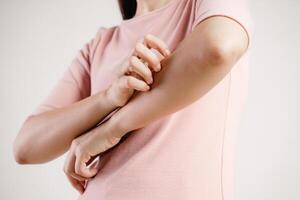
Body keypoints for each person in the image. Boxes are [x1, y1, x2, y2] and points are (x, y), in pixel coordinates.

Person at [13, 0, 253, 199]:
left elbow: (217, 48)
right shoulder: (99, 45)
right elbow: (26, 147)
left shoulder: (204, 7)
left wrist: (109, 130)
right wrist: (107, 98)